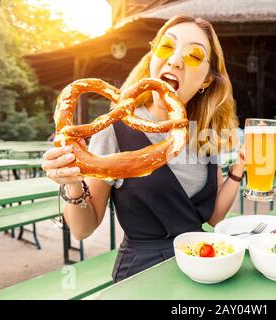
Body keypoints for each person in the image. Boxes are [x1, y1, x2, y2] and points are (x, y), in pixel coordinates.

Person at [41, 15, 243, 282]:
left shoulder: (203, 133)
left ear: (206, 79)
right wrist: (72, 184)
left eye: (194, 55)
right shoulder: (115, 129)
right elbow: (82, 229)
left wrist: (240, 167)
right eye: (167, 47)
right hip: (142, 273)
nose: (174, 60)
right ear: (153, 58)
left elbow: (215, 217)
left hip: (201, 263)